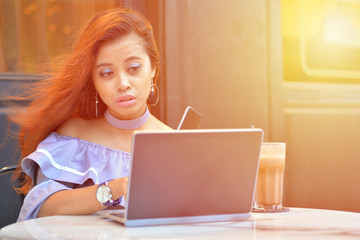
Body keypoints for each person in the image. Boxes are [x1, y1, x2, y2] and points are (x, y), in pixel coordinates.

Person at [12, 7, 171, 222]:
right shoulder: (73, 137)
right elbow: (42, 209)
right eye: (106, 73)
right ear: (94, 81)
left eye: (133, 68)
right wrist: (114, 188)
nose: (122, 84)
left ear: (153, 68)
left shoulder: (173, 141)